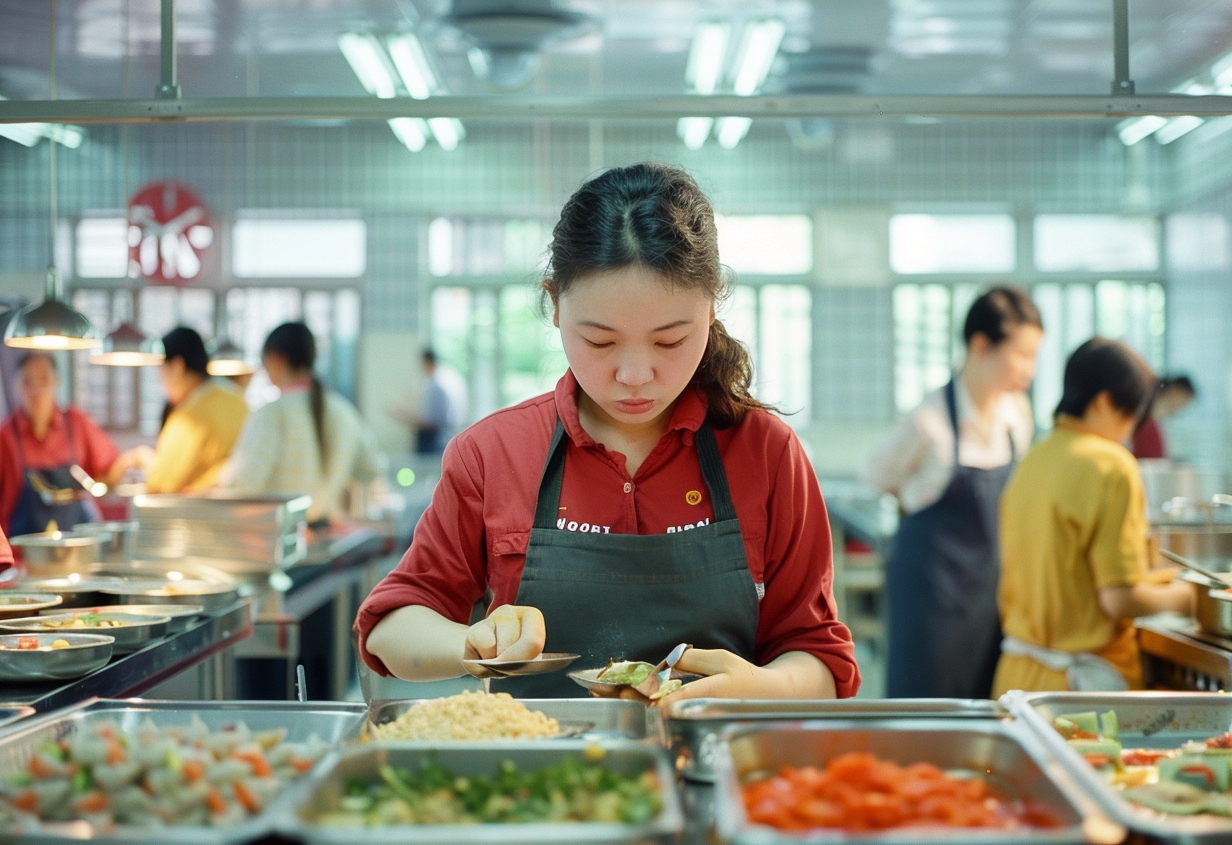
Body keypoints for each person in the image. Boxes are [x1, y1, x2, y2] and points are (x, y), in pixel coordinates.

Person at [355, 163, 860, 701]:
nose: (635, 375)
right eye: (600, 341)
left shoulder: (767, 453)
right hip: (539, 776)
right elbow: (390, 631)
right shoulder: (493, 454)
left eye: (670, 341)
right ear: (554, 305)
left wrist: (763, 687)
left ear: (712, 310)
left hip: (718, 769)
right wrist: (471, 641)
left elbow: (821, 660)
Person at [863, 287, 1043, 699]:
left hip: (992, 592)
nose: (1030, 370)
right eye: (1023, 355)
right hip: (932, 598)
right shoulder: (929, 423)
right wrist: (911, 499)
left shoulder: (1016, 416)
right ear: (981, 345)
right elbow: (874, 472)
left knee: (988, 702)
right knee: (928, 705)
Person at [992, 338, 1195, 697]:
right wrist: (1190, 597)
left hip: (1016, 680)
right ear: (1103, 402)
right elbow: (1118, 599)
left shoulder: (1034, 460)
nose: (1131, 429)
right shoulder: (1111, 465)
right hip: (1081, 690)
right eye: (1131, 414)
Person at [217, 322, 379, 523]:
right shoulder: (344, 412)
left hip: (280, 539)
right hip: (326, 535)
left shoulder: (271, 414)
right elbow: (371, 470)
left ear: (274, 358)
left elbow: (242, 486)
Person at [0, 353, 140, 535]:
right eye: (27, 382)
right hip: (22, 554)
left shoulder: (76, 424)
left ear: (56, 382)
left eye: (44, 380)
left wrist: (135, 457)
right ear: (16, 386)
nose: (36, 390)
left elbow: (111, 469)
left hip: (78, 547)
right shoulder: (5, 438)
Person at [135, 327, 249, 494]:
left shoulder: (192, 413)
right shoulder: (237, 400)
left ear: (177, 366)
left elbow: (161, 483)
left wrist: (142, 458)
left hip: (204, 513)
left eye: (160, 371)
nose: (160, 382)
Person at [1132, 374, 1195, 459]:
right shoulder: (1148, 413)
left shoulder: (1157, 420)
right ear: (1176, 390)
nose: (1183, 406)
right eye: (1185, 400)